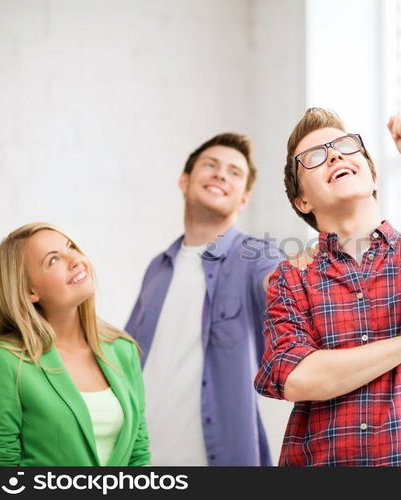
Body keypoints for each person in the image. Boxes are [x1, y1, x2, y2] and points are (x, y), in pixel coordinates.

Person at [254, 81, 401, 466]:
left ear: (371, 174)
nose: (335, 156)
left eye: (345, 147)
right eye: (316, 157)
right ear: (301, 200)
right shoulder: (292, 277)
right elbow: (300, 378)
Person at [126, 133, 283, 466]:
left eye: (234, 172)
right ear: (184, 181)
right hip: (140, 460)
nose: (221, 174)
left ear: (244, 199)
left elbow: (283, 286)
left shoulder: (256, 256)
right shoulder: (158, 266)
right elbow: (126, 357)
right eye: (210, 165)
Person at [0, 223, 149, 466]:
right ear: (29, 291)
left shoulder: (123, 350)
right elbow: (3, 465)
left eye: (71, 248)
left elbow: (138, 454)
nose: (75, 260)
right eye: (53, 260)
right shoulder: (6, 360)